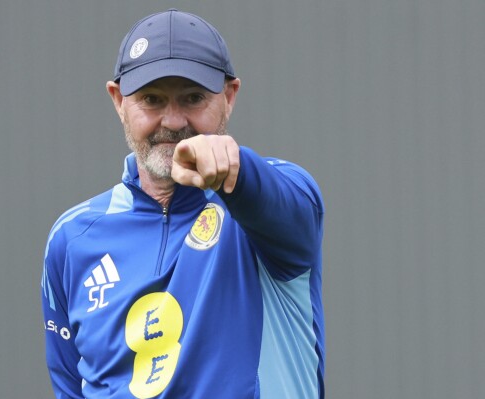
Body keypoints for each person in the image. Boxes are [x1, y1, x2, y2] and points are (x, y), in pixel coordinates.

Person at [41, 9, 325, 399]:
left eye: (193, 98)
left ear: (229, 97)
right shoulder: (71, 238)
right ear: (118, 100)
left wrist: (236, 172)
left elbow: (288, 211)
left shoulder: (270, 198)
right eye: (152, 99)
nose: (173, 121)